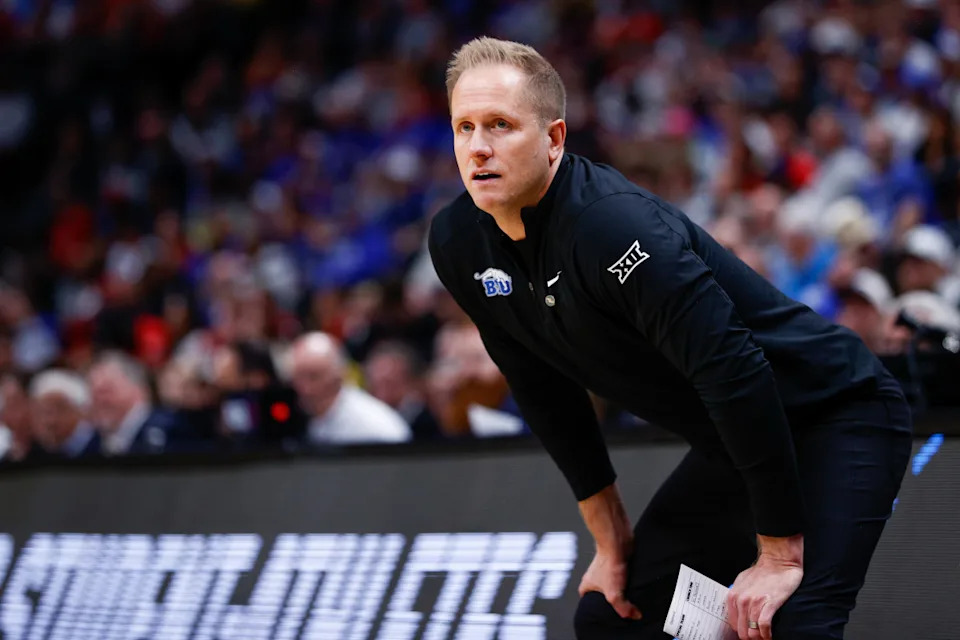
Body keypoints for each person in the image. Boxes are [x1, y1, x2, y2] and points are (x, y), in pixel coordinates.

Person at [428, 37, 912, 640]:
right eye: (464, 127)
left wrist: (777, 555)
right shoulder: (457, 242)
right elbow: (541, 388)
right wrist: (610, 542)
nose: (477, 147)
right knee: (611, 617)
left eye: (500, 125)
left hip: (834, 415)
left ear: (554, 139)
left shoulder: (616, 227)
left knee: (795, 624)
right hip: (733, 443)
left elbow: (734, 371)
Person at [289, 332, 412, 445]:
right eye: (298, 376)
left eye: (314, 377)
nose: (304, 387)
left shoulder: (375, 427)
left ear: (339, 376)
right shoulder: (296, 416)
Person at [87, 351, 178, 455]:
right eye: (94, 394)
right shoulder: (92, 442)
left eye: (106, 391)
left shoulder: (169, 430)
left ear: (139, 389)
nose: (100, 401)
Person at [29, 369, 99, 458]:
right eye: (43, 412)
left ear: (81, 412)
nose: (51, 421)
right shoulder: (34, 453)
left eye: (60, 409)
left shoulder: (102, 447)